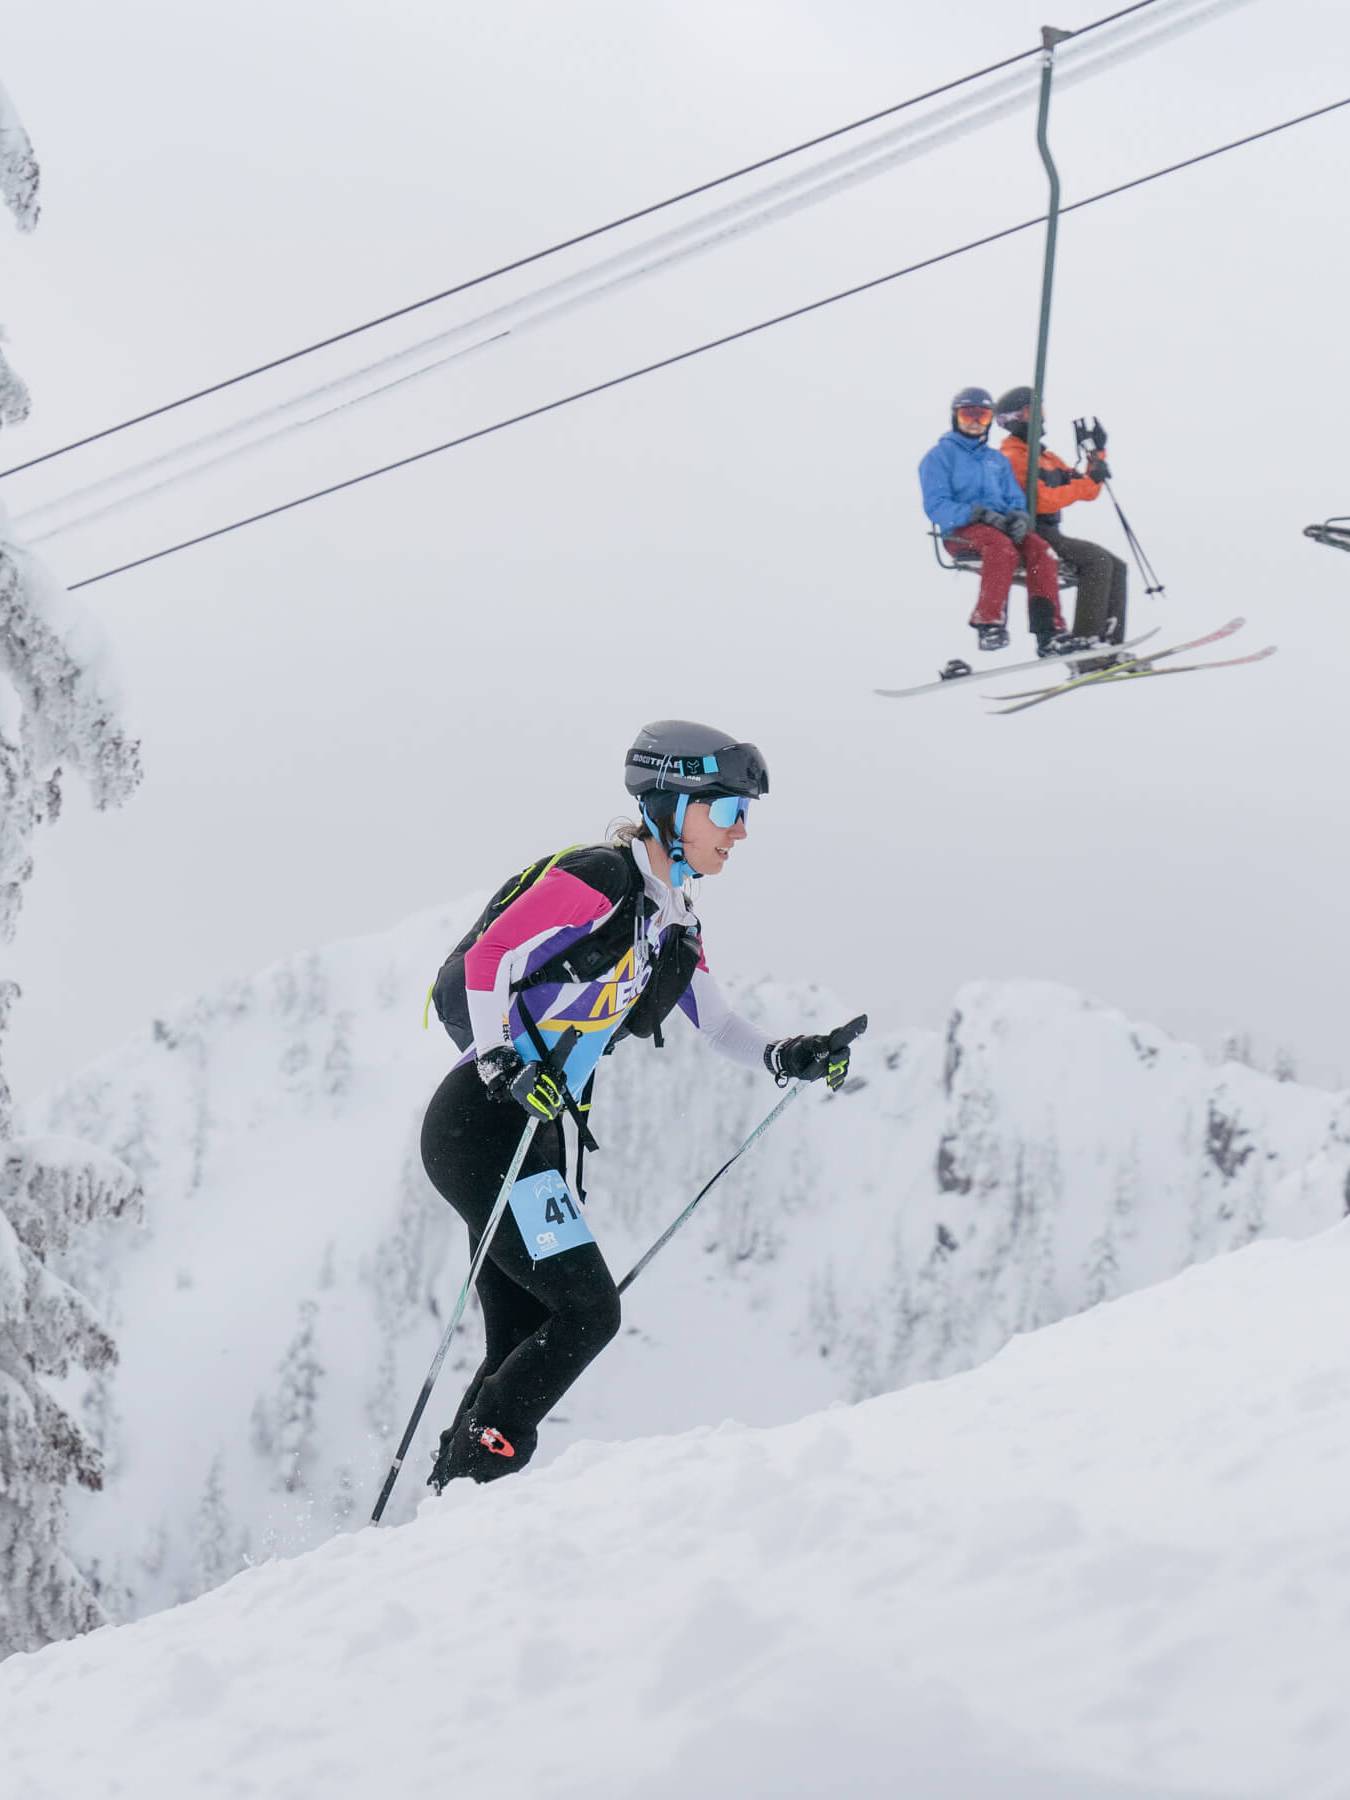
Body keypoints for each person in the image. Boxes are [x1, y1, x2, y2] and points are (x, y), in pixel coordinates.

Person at [419, 720, 861, 1489]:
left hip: (537, 1132)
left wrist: (785, 1055)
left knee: (524, 1332)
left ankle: (453, 1495)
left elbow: (717, 1023)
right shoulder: (598, 881)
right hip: (481, 1123)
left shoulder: (672, 920)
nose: (742, 831)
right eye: (727, 811)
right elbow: (490, 955)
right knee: (588, 1311)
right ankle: (476, 1472)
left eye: (746, 814)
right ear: (672, 804)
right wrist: (499, 1063)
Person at [919, 385, 1088, 657]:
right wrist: (977, 514)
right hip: (963, 532)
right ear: (955, 418)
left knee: (1040, 550)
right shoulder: (940, 457)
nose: (975, 423)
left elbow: (1013, 497)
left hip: (1001, 529)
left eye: (982, 417)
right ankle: (989, 624)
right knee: (1001, 549)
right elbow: (936, 505)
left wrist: (1018, 516)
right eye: (968, 416)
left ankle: (1050, 632)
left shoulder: (995, 460)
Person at [993, 388, 1128, 649]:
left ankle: (1108, 645)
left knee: (1117, 565)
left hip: (1052, 532)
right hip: (1034, 532)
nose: (1041, 419)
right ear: (1015, 418)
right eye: (1033, 412)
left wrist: (1096, 456)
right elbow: (1043, 499)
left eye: (1041, 412)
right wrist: (1085, 483)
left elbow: (1086, 489)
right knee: (1096, 560)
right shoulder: (1014, 458)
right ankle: (1085, 639)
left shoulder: (1046, 457)